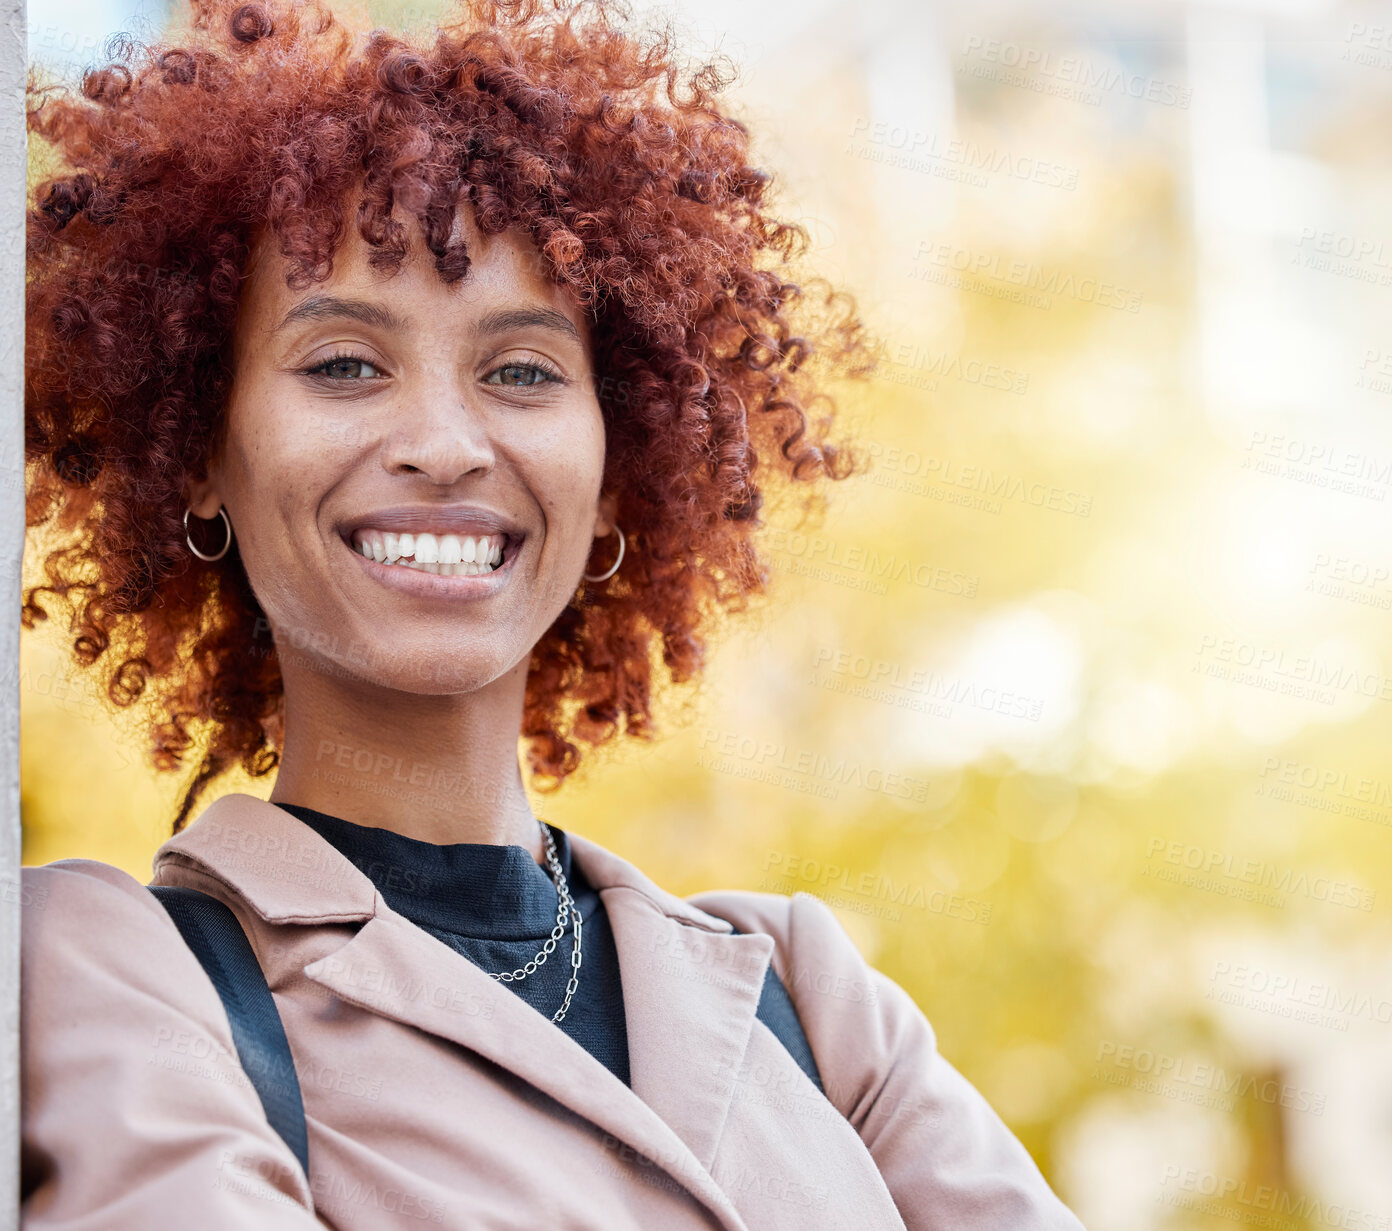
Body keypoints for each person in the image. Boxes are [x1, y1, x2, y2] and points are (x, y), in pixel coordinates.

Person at [19, 0, 1086, 1226]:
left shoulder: (803, 992)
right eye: (342, 364)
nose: (441, 445)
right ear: (200, 451)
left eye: (521, 370)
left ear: (619, 461)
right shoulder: (119, 970)